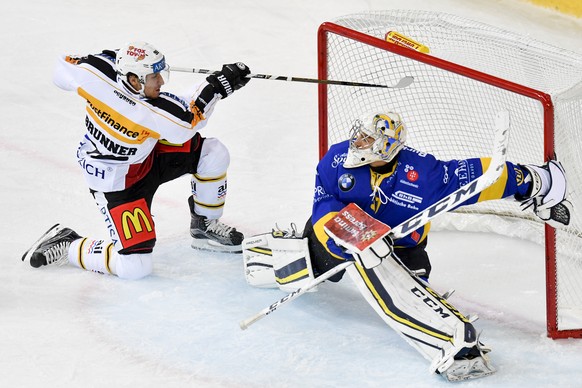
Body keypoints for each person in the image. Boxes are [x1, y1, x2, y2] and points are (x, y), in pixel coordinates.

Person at [242, 110, 571, 380]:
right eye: (361, 135)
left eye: (369, 139)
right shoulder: (337, 159)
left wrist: (533, 181)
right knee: (305, 261)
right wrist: (345, 233)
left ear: (386, 148)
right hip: (339, 234)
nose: (359, 141)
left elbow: (477, 179)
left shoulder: (422, 174)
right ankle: (269, 256)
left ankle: (452, 341)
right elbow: (324, 200)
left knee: (406, 290)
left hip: (401, 248)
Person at [21, 42, 251, 280]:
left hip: (148, 157)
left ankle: (204, 225)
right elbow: (187, 120)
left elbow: (61, 68)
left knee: (212, 153)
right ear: (134, 80)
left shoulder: (93, 74)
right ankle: (69, 244)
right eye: (154, 76)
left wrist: (112, 59)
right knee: (135, 267)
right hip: (120, 184)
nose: (161, 81)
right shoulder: (150, 112)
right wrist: (217, 85)